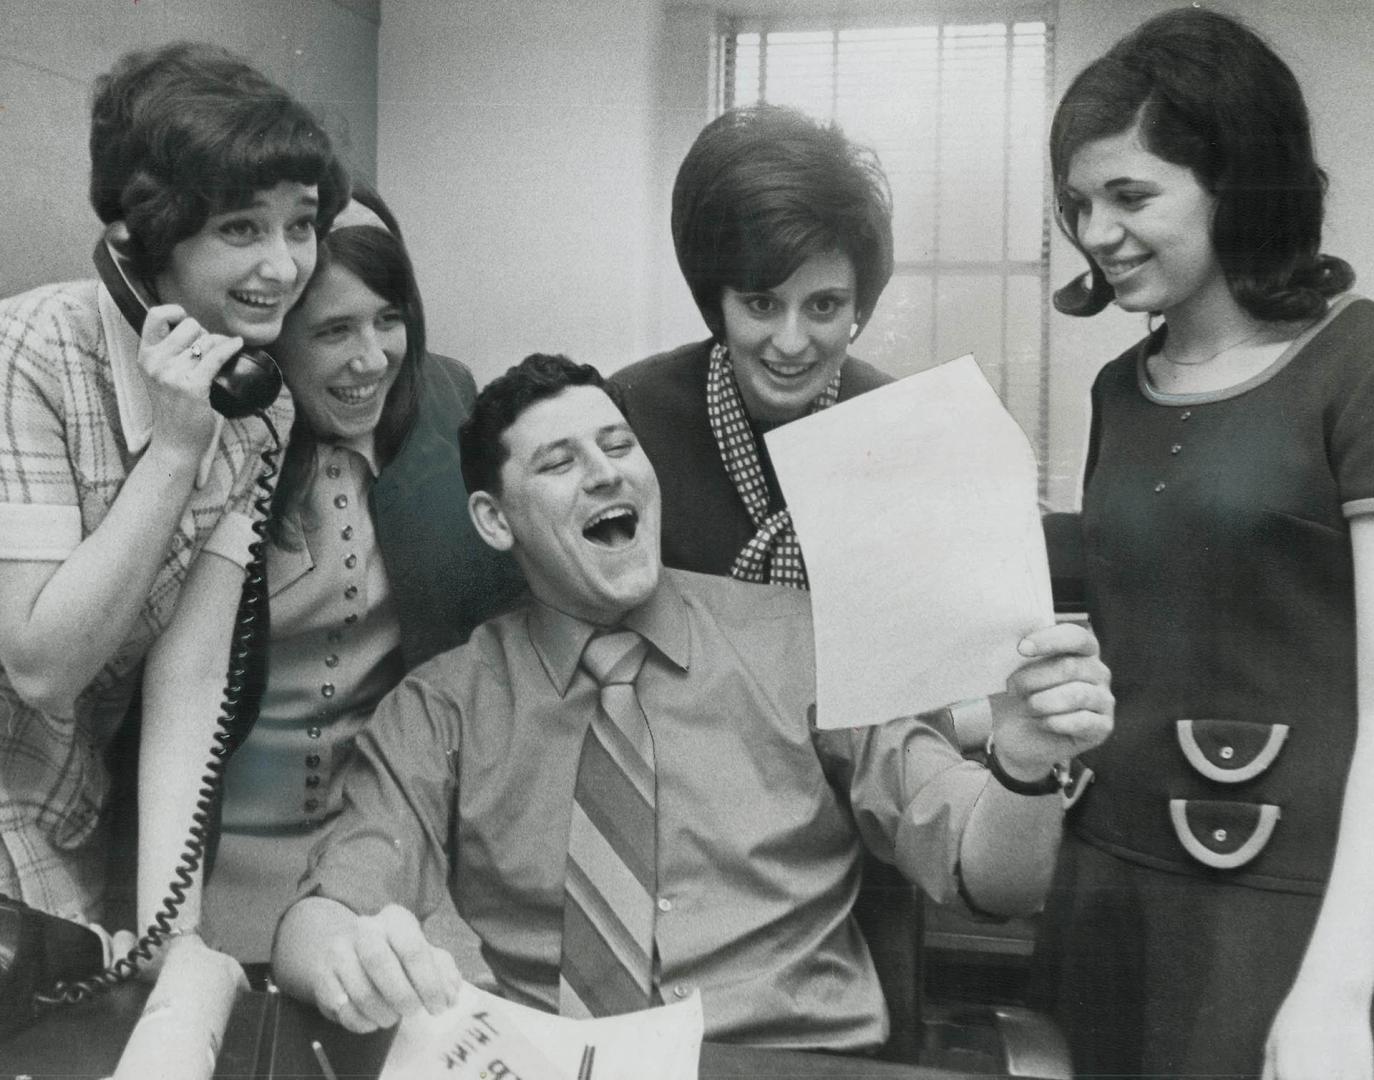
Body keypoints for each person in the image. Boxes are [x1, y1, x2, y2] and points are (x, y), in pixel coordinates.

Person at [271, 353, 1114, 1050]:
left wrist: (1027, 768)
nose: (605, 472)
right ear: (495, 521)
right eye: (560, 462)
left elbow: (992, 876)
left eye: (618, 445)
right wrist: (350, 958)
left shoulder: (803, 642)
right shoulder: (443, 708)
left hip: (791, 1064)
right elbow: (319, 919)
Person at [1036, 9, 1374, 1079]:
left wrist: (1338, 987)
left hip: (1284, 916)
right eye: (1079, 204)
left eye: (1131, 195)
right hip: (1100, 894)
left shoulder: (1357, 361)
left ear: (1238, 180)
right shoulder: (1113, 391)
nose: (1096, 231)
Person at [0, 42, 346, 930]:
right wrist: (176, 451)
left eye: (299, 224)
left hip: (52, 813)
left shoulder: (260, 409)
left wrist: (169, 935)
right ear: (145, 234)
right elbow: (42, 665)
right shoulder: (29, 354)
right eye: (240, 228)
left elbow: (189, 681)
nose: (283, 265)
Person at [136, 185, 527, 963]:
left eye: (390, 320)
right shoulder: (210, 442)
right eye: (333, 331)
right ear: (269, 348)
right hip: (214, 869)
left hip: (376, 865)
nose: (372, 357)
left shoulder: (446, 400)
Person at [612, 105, 893, 587]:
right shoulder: (629, 416)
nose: (790, 342)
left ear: (857, 308)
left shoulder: (897, 421)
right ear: (716, 304)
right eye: (762, 304)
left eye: (824, 306)